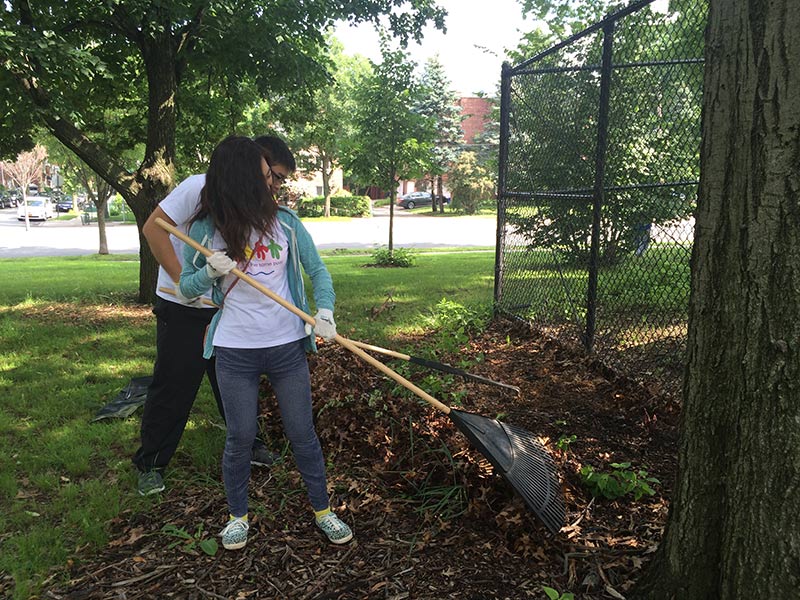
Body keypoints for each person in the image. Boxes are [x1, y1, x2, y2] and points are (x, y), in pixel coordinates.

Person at [179, 135, 352, 550]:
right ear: (242, 178)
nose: (273, 185)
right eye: (266, 177)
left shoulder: (287, 223)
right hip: (234, 351)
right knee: (240, 435)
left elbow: (318, 272)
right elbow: (186, 287)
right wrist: (209, 272)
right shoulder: (206, 229)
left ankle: (323, 511)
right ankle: (237, 516)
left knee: (301, 432)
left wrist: (323, 311)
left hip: (287, 347)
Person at [133, 136, 296, 496]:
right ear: (255, 163)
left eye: (278, 179)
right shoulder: (198, 187)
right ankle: (151, 464)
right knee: (174, 384)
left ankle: (250, 447)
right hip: (184, 308)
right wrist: (185, 282)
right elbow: (153, 229)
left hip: (228, 310)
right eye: (273, 175)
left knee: (236, 384)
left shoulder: (254, 201)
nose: (274, 185)